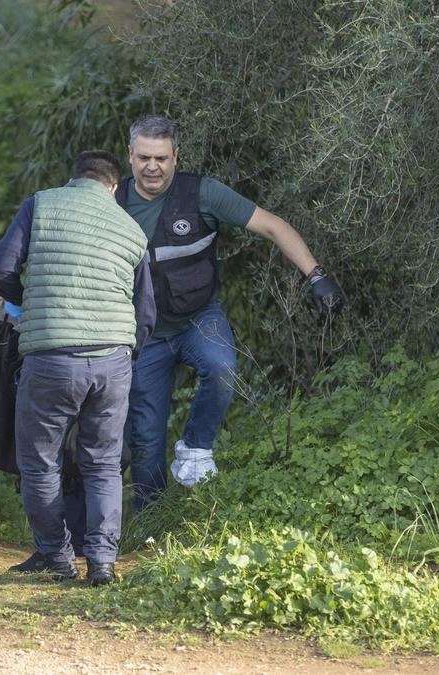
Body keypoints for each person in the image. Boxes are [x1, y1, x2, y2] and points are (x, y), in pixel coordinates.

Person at [118, 114, 345, 511]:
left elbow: (274, 226)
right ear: (130, 156)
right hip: (145, 333)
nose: (152, 167)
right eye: (144, 158)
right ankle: (149, 525)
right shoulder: (112, 201)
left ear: (175, 156)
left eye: (161, 158)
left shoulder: (203, 193)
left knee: (222, 368)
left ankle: (195, 448)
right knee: (146, 439)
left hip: (198, 317)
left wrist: (316, 276)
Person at [0, 151, 155, 586]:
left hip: (51, 356)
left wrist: (32, 306)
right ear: (115, 187)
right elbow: (146, 312)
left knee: (41, 461)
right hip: (112, 359)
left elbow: (1, 269)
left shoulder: (41, 204)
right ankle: (102, 562)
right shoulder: (132, 229)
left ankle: (56, 556)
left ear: (74, 179)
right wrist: (124, 355)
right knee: (103, 463)